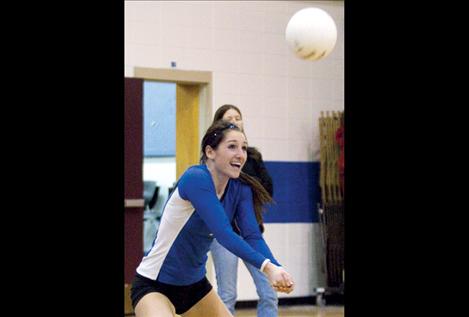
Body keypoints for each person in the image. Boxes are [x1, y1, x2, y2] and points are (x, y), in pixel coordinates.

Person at [131, 120, 294, 317]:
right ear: (210, 152)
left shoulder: (240, 188)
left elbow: (252, 236)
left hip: (195, 288)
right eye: (232, 146)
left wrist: (276, 268)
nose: (240, 154)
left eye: (244, 148)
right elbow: (223, 233)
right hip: (154, 285)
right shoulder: (196, 178)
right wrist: (267, 267)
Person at [209, 104, 278, 316]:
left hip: (251, 233)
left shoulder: (253, 156)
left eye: (238, 118)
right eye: (229, 118)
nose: (235, 121)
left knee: (269, 291)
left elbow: (267, 188)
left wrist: (245, 180)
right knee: (227, 294)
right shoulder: (214, 160)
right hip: (224, 236)